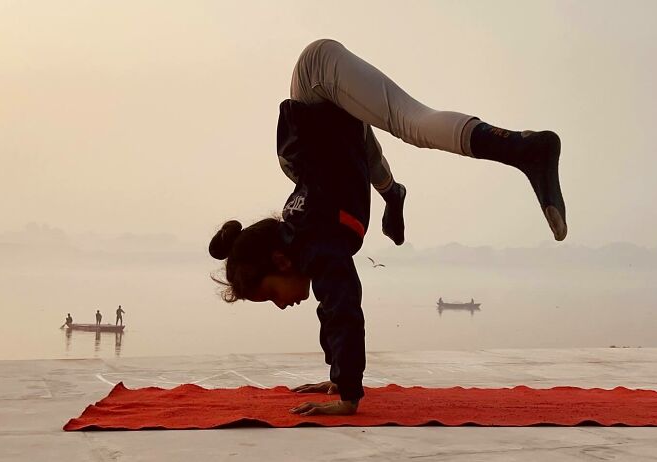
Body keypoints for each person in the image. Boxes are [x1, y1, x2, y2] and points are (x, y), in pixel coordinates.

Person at [209, 39, 567, 416]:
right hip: (328, 103)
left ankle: (527, 149)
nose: (281, 305)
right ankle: (393, 193)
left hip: (316, 74)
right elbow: (331, 307)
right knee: (376, 133)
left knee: (407, 121)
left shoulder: (314, 240)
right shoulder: (306, 239)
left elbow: (342, 308)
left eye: (270, 295)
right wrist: (337, 376)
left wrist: (348, 397)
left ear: (279, 262)